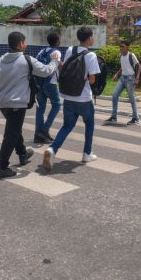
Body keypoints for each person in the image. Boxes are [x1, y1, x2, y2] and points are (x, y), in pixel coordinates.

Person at [0, 31, 60, 179]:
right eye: (25, 42)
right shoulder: (26, 60)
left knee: (14, 129)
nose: (26, 44)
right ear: (21, 44)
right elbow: (46, 71)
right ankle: (2, 167)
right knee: (11, 133)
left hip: (2, 103)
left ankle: (22, 153)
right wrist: (54, 61)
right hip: (17, 103)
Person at [42, 26, 100, 172]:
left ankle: (52, 149)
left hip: (68, 96)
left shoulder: (70, 50)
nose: (93, 38)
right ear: (89, 39)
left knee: (67, 126)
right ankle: (87, 153)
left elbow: (66, 67)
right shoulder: (91, 55)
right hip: (84, 98)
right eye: (92, 36)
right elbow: (92, 80)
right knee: (90, 124)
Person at [33, 32, 63, 144]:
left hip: (39, 83)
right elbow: (57, 63)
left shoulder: (42, 51)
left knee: (40, 108)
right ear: (57, 41)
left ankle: (38, 135)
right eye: (59, 39)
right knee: (56, 105)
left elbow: (38, 64)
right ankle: (44, 130)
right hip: (50, 82)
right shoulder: (56, 52)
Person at [104, 40, 141, 125]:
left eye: (122, 47)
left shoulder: (131, 55)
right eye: (120, 47)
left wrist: (137, 78)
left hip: (130, 79)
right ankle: (113, 117)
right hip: (122, 78)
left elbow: (139, 66)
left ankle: (135, 118)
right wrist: (116, 74)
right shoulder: (121, 56)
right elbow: (123, 67)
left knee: (132, 99)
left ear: (127, 48)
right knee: (114, 95)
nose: (121, 48)